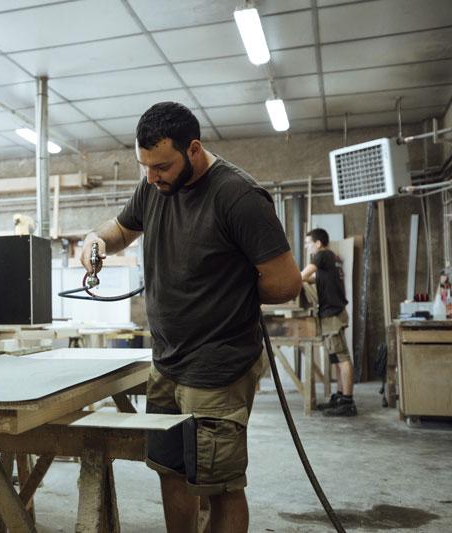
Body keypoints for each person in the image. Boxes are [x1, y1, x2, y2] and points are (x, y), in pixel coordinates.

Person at [80, 102, 301, 533]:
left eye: (161, 166)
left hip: (218, 366)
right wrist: (96, 238)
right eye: (144, 166)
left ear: (194, 149)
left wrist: (228, 295)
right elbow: (122, 229)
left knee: (219, 485)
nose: (151, 177)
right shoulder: (153, 187)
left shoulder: (238, 196)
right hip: (167, 362)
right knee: (171, 470)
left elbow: (286, 282)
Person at [301, 228, 356, 417]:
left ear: (318, 243)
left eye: (308, 243)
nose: (307, 247)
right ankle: (340, 397)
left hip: (333, 314)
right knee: (336, 358)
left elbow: (302, 276)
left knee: (342, 358)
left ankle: (348, 402)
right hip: (331, 313)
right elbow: (312, 278)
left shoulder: (322, 255)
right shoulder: (329, 259)